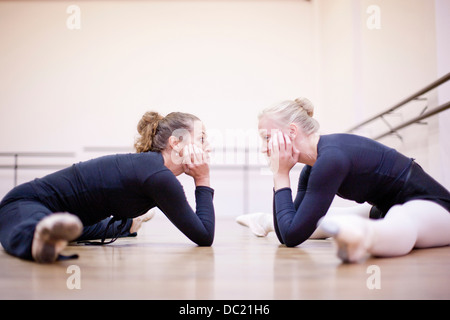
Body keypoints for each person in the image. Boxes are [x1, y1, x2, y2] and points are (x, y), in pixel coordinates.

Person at [239, 97, 450, 263]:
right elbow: (291, 230)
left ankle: (366, 238)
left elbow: (292, 236)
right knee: (321, 218)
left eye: (267, 137)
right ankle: (264, 221)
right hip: (387, 209)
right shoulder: (312, 168)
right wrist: (279, 176)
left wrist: (280, 175)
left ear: (292, 131)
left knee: (400, 217)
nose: (264, 147)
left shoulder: (331, 158)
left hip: (436, 210)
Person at [0, 111, 215, 263]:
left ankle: (130, 225)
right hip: (24, 204)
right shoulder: (158, 176)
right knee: (35, 229)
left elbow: (200, 230)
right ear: (175, 142)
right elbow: (204, 236)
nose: (209, 147)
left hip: (61, 214)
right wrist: (202, 179)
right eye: (202, 138)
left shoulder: (155, 171)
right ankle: (40, 238)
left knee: (74, 228)